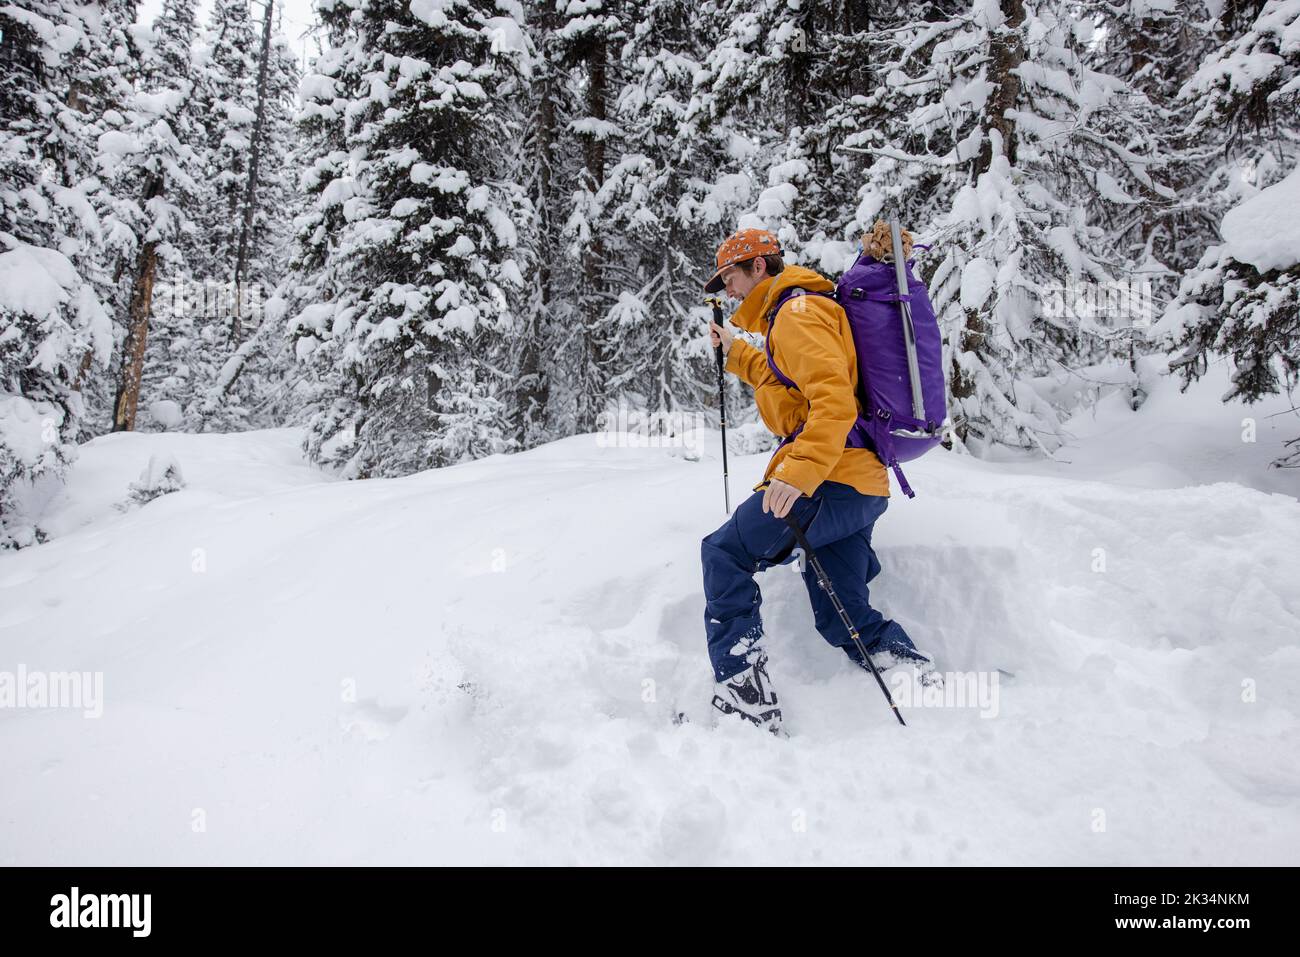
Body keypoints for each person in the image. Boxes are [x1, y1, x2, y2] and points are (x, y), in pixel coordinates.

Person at [700, 226, 932, 734]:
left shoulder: (797, 314)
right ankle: (915, 675)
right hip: (860, 487)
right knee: (840, 613)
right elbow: (792, 386)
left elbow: (833, 400)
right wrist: (737, 353)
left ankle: (744, 696)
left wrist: (799, 474)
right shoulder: (799, 310)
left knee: (724, 554)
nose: (729, 292)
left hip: (827, 482)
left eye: (730, 279)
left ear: (758, 267)